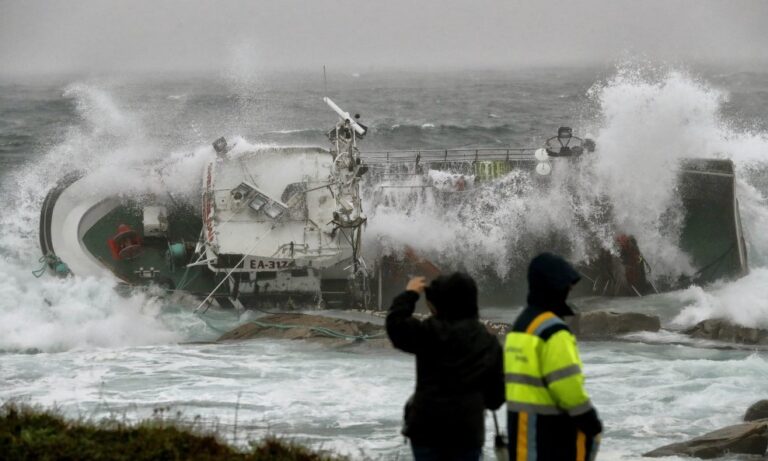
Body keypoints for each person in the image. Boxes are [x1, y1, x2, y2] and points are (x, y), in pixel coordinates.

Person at [386, 272, 505, 461]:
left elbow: (395, 326)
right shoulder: (487, 341)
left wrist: (410, 294)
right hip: (467, 435)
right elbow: (496, 398)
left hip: (427, 432)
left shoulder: (429, 332)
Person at [505, 253, 602, 460]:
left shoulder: (520, 327)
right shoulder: (553, 331)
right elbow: (568, 389)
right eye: (566, 286)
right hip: (549, 439)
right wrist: (591, 423)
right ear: (554, 288)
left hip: (521, 438)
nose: (569, 290)